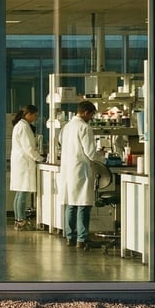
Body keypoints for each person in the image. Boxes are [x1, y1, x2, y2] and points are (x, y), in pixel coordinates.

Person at [60, 100, 98, 250]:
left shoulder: (67, 127)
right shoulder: (84, 127)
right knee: (83, 204)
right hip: (81, 168)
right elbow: (90, 152)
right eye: (91, 115)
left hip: (68, 168)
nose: (91, 118)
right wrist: (100, 161)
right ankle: (82, 239)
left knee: (71, 203)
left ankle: (70, 237)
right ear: (86, 113)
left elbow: (60, 143)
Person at [9, 105, 43, 230]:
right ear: (28, 114)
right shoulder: (23, 126)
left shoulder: (20, 125)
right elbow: (29, 148)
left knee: (20, 193)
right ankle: (21, 221)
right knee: (22, 193)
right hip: (24, 162)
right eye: (34, 115)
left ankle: (19, 220)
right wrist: (40, 158)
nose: (35, 118)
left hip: (20, 162)